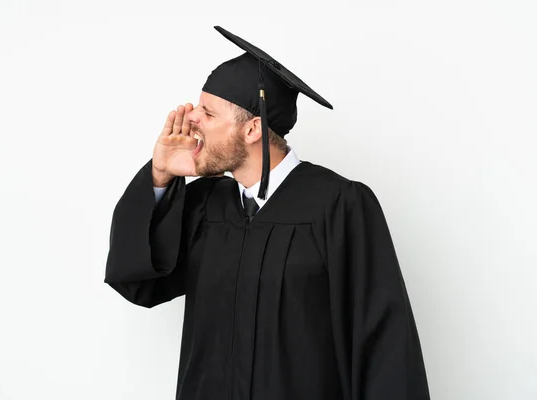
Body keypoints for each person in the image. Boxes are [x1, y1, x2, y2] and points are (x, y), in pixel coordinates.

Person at [104, 26, 430, 400]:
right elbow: (139, 283)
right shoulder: (206, 206)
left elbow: (384, 345)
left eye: (207, 113)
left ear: (253, 129)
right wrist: (160, 174)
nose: (191, 120)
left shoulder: (339, 206)